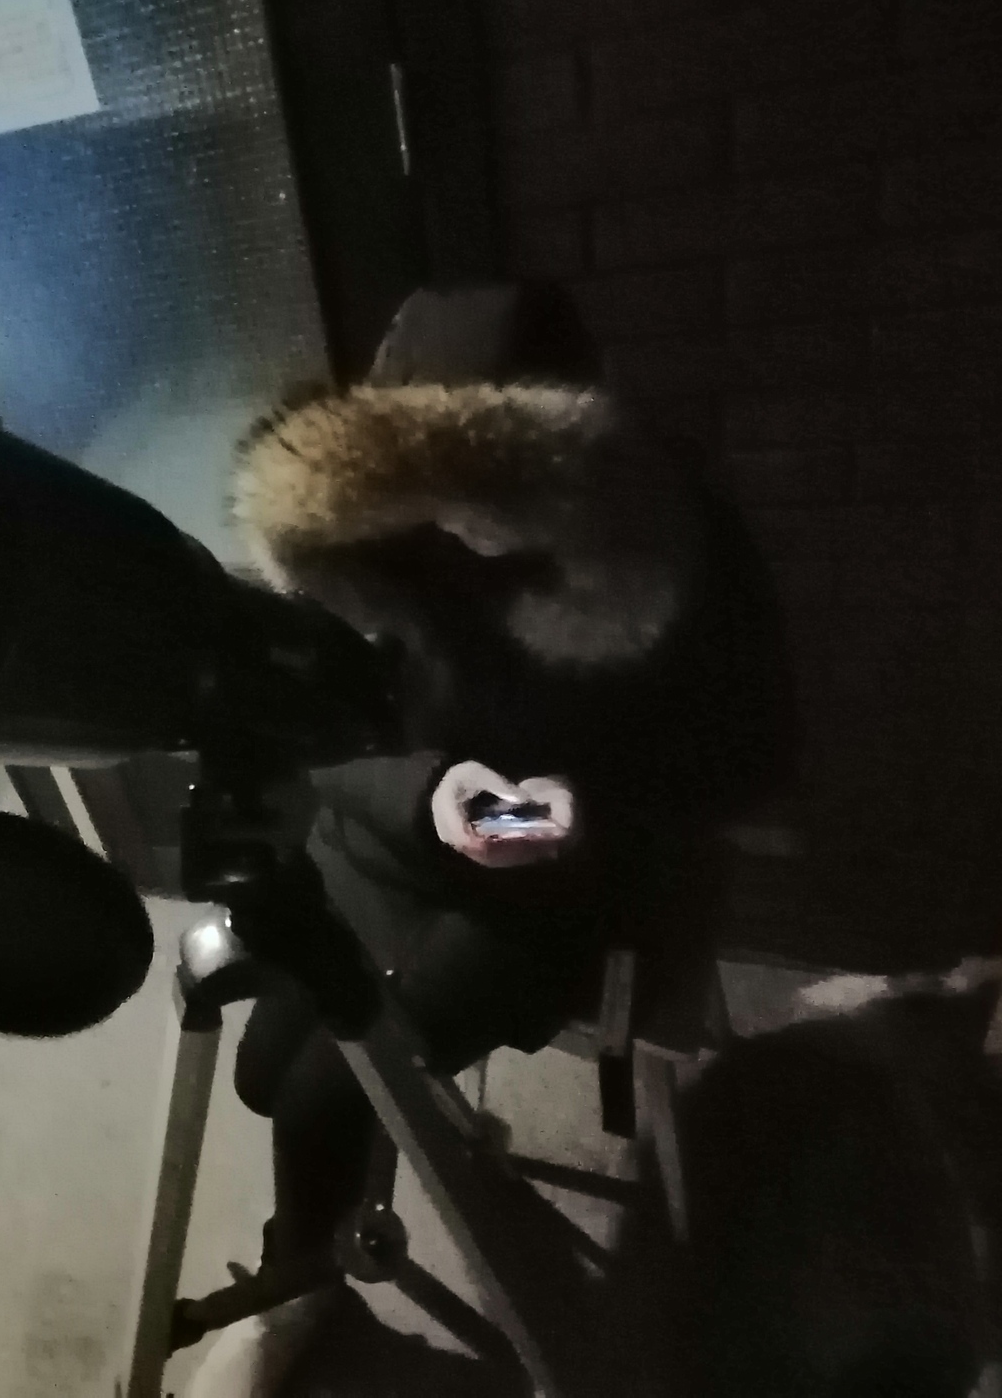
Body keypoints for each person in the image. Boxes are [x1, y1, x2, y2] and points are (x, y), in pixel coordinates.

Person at [189, 285, 794, 1393]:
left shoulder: (675, 554)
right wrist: (428, 795)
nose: (456, 529)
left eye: (496, 484)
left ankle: (297, 1284)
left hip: (554, 892)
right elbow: (315, 737)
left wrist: (587, 809)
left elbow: (745, 763)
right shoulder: (361, 537)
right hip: (385, 843)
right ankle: (369, 1182)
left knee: (329, 1090)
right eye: (425, 482)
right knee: (266, 1075)